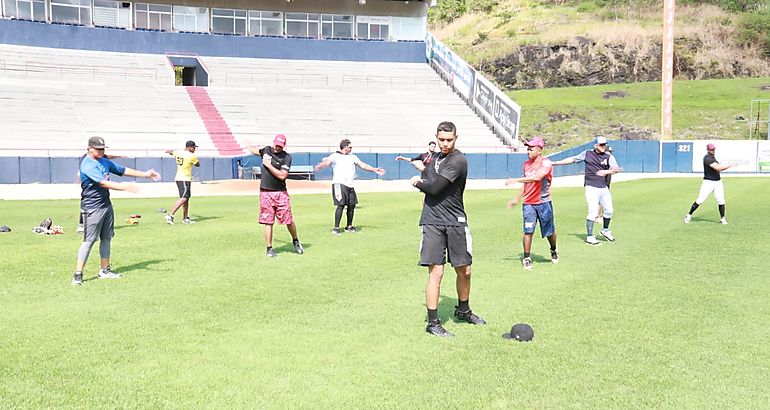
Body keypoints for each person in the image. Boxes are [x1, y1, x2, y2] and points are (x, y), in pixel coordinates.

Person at [410, 121, 485, 338]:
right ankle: (433, 323)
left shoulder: (457, 160)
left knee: (465, 270)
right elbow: (432, 178)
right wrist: (424, 170)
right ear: (436, 136)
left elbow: (434, 188)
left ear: (456, 138)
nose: (444, 144)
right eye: (441, 139)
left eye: (449, 140)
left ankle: (463, 310)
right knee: (437, 272)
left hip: (455, 220)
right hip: (432, 221)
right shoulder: (435, 158)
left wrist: (417, 182)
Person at [72, 136, 161, 285]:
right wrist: (125, 187)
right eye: (98, 149)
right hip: (92, 207)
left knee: (107, 238)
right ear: (89, 149)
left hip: (106, 204)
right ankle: (78, 274)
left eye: (103, 149)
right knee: (89, 240)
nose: (101, 151)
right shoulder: (87, 164)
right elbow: (102, 183)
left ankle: (105, 270)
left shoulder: (104, 161)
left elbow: (122, 170)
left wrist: (145, 174)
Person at [552, 136, 622, 245]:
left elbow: (616, 169)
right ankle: (590, 236)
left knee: (609, 210)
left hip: (603, 187)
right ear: (595, 146)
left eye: (605, 145)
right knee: (593, 212)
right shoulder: (587, 154)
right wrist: (556, 163)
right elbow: (572, 159)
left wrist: (605, 172)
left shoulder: (608, 156)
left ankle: (605, 230)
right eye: (602, 145)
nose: (604, 147)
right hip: (591, 187)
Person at [247, 134, 304, 257]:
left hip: (280, 193)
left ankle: (295, 240)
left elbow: (282, 175)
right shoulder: (266, 150)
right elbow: (255, 151)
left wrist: (268, 165)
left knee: (288, 220)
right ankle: (269, 248)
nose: (277, 148)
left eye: (280, 146)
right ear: (273, 142)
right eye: (276, 145)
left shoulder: (286, 157)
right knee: (268, 221)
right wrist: (248, 144)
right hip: (265, 192)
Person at [505, 137, 558, 270]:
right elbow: (526, 184)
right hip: (528, 203)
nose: (528, 151)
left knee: (549, 231)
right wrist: (517, 198)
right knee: (528, 231)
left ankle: (553, 250)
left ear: (539, 150)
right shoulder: (526, 165)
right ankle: (527, 257)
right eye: (527, 149)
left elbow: (536, 178)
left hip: (543, 202)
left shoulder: (546, 163)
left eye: (531, 148)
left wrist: (515, 179)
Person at [314, 138, 385, 235]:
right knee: (341, 205)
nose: (351, 149)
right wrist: (321, 166)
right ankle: (336, 228)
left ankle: (349, 226)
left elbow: (363, 165)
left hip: (350, 185)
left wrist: (374, 169)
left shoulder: (353, 157)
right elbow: (327, 162)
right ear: (345, 147)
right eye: (350, 147)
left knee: (352, 205)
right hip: (339, 183)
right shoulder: (335, 156)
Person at [685, 143, 733, 225]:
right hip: (708, 182)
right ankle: (689, 215)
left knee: (721, 200)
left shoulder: (713, 158)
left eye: (713, 149)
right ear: (707, 150)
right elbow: (718, 168)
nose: (713, 150)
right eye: (711, 149)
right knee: (700, 200)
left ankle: (723, 218)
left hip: (718, 182)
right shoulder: (707, 158)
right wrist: (729, 166)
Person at [164, 140, 200, 225]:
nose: (195, 149)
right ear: (190, 147)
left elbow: (170, 152)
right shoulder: (191, 156)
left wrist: (168, 152)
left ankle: (185, 218)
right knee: (184, 198)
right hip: (185, 178)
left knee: (186, 199)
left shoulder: (178, 152)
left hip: (179, 178)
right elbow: (198, 164)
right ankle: (170, 215)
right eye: (194, 147)